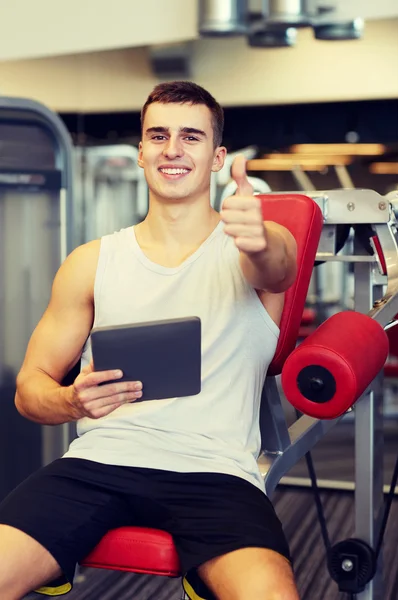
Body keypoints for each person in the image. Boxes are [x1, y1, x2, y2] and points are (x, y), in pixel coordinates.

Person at [0, 81, 299, 600]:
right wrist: (70, 400)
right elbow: (29, 389)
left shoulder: (256, 248)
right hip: (99, 463)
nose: (173, 149)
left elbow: (277, 268)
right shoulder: (91, 262)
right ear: (140, 152)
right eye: (157, 135)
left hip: (215, 473)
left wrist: (258, 236)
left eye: (191, 137)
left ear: (217, 156)